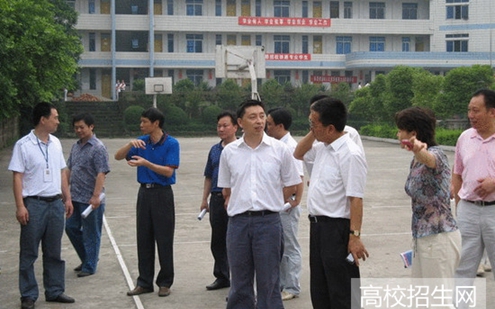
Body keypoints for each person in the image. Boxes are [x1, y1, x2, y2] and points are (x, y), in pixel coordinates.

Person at [218, 99, 301, 309]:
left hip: (269, 223)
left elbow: (292, 185)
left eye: (262, 116)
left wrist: (271, 200)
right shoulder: (229, 152)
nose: (259, 121)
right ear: (240, 122)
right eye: (253, 117)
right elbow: (226, 189)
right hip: (238, 224)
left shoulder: (280, 150)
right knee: (240, 280)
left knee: (269, 280)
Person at [294, 97, 368, 309]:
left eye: (313, 124)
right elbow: (298, 153)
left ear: (330, 128)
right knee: (321, 288)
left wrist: (354, 237)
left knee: (342, 290)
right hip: (318, 227)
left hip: (337, 229)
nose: (311, 128)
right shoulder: (323, 147)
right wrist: (315, 129)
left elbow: (356, 198)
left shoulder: (351, 154)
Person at [8, 102, 75, 309]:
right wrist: (20, 206)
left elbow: (62, 172)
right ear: (43, 119)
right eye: (54, 117)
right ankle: (28, 294)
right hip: (34, 204)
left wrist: (68, 197)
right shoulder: (23, 145)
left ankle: (55, 290)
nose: (57, 121)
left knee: (54, 251)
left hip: (55, 203)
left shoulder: (55, 143)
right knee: (29, 252)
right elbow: (17, 176)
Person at [115, 107, 180, 297]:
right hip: (144, 193)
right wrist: (129, 145)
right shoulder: (140, 142)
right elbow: (118, 156)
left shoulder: (171, 143)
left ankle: (165, 282)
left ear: (156, 123)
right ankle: (144, 282)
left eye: (144, 121)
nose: (141, 125)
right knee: (143, 238)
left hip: (162, 194)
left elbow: (169, 171)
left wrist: (146, 163)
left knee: (164, 239)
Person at [395, 107, 461, 287]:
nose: (398, 134)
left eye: (401, 130)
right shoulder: (415, 160)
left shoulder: (437, 155)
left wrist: (418, 149)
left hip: (439, 239)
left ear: (413, 134)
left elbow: (429, 159)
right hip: (422, 238)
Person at [453, 89, 495, 285]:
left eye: (476, 110)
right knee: (462, 267)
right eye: (469, 110)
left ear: (492, 112)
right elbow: (457, 173)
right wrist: (460, 207)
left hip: (493, 211)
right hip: (468, 211)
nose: (471, 115)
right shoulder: (464, 138)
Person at [265, 107, 304, 301]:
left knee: (289, 247)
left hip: (285, 206)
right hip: (277, 204)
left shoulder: (289, 147)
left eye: (269, 124)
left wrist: (286, 201)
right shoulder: (276, 144)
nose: (267, 128)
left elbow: (297, 180)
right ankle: (281, 283)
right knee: (279, 247)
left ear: (280, 126)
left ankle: (292, 286)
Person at [65, 113, 110, 277]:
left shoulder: (98, 147)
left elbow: (101, 173)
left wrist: (96, 196)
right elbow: (69, 168)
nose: (78, 130)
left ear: (91, 127)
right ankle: (87, 258)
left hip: (91, 199)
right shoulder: (76, 146)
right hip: (75, 197)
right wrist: (65, 192)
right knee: (70, 227)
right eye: (76, 127)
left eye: (82, 127)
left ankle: (90, 265)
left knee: (91, 233)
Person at [200, 111, 238, 291]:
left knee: (236, 241)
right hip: (216, 199)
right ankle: (222, 276)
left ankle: (239, 278)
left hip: (236, 200)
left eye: (225, 125)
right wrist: (204, 199)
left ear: (236, 127)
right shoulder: (215, 150)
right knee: (218, 241)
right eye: (219, 126)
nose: (221, 129)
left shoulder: (241, 149)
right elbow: (208, 176)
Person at [304, 94, 364, 177]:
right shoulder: (322, 146)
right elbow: (298, 154)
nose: (311, 126)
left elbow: (353, 187)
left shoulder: (352, 152)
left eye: (314, 120)